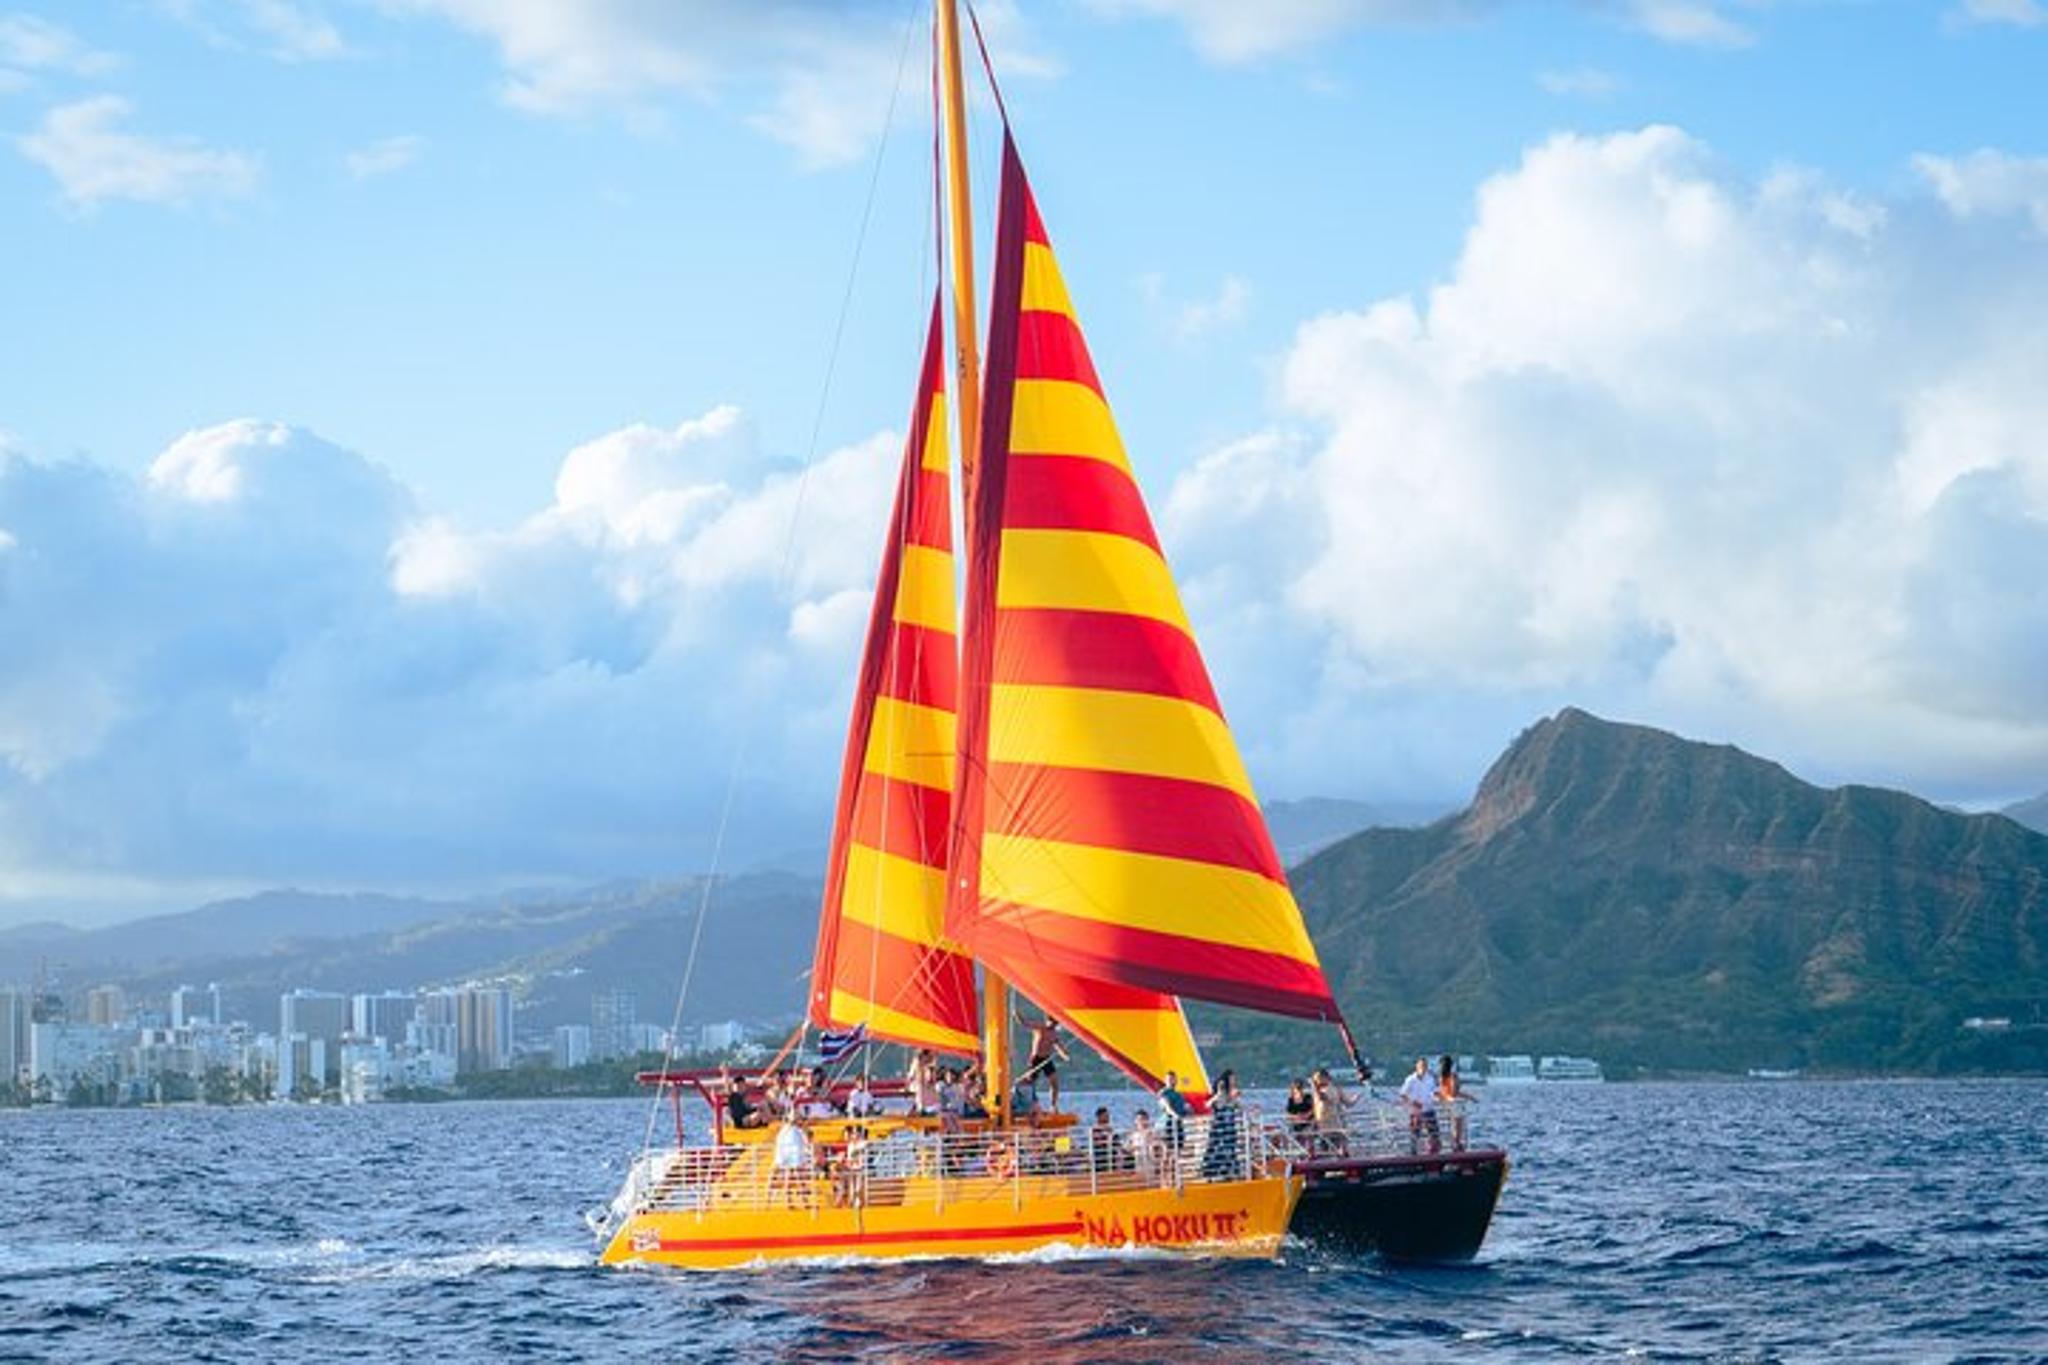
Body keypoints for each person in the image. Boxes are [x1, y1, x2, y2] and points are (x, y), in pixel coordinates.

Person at [1016, 1012, 1070, 1113]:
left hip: (1047, 1059)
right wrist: (1018, 1016)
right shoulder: (1040, 1028)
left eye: (1055, 1024)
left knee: (1055, 1083)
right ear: (1048, 1021)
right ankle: (1028, 1104)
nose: (1054, 1025)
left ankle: (1053, 1105)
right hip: (1036, 1059)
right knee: (1029, 1083)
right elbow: (1025, 1024)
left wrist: (1064, 1055)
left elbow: (1058, 1046)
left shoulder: (1054, 1033)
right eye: (1052, 1023)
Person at [1311, 1067, 1363, 1155]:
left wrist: (1356, 1098)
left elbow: (1347, 1102)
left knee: (1336, 1144)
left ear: (1325, 1077)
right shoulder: (1318, 1091)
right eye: (1315, 1079)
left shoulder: (1333, 1089)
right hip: (1321, 1124)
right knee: (1324, 1146)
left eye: (1318, 1078)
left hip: (1333, 1123)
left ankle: (1342, 1158)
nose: (1317, 1081)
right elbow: (1318, 1101)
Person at [1398, 1056, 1441, 1155]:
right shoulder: (1410, 1080)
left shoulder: (1430, 1078)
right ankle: (1413, 1153)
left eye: (1425, 1066)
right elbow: (1403, 1094)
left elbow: (1435, 1092)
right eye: (1422, 1066)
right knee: (1415, 1134)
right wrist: (1413, 1102)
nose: (1423, 1068)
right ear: (1417, 1066)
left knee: (1434, 1133)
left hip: (1429, 1109)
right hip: (1416, 1111)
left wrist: (1442, 1097)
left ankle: (1434, 1152)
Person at [769, 1114, 812, 1208]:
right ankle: (798, 1201)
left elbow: (805, 1143)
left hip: (791, 1156)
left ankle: (794, 1201)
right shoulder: (788, 1131)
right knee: (795, 1177)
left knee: (791, 1178)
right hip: (791, 1156)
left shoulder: (790, 1131)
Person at [1435, 1054, 1473, 1151]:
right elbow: (1454, 1092)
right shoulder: (1452, 1076)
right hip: (1453, 1102)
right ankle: (1457, 1143)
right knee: (1458, 1123)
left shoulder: (1440, 1076)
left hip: (1445, 1101)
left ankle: (1454, 1142)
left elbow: (1444, 1092)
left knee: (1453, 1123)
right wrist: (1469, 1096)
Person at [1157, 1070, 1191, 1167]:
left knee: (1177, 1153)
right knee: (1167, 1153)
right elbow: (1167, 1106)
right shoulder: (1164, 1093)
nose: (1171, 1081)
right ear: (1165, 1080)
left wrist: (1188, 1111)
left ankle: (1173, 1177)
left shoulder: (1179, 1095)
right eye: (1169, 1079)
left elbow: (1184, 1109)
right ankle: (1165, 1178)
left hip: (1178, 1125)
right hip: (1168, 1125)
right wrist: (1175, 1115)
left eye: (1173, 1079)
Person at [1126, 1111, 1162, 1183]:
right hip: (1138, 1159)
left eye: (1144, 1119)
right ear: (1135, 1121)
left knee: (1151, 1178)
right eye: (1139, 1120)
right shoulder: (1133, 1134)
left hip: (1149, 1159)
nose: (1141, 1122)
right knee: (1140, 1178)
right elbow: (1127, 1148)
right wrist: (1134, 1148)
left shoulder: (1152, 1132)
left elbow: (1158, 1144)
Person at [1088, 1105, 1119, 1177]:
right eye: (1106, 1115)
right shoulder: (1095, 1130)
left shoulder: (1109, 1129)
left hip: (1111, 1151)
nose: (1108, 1117)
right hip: (1101, 1155)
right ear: (1100, 1117)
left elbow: (1115, 1141)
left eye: (1108, 1115)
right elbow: (1097, 1142)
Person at [907, 1048, 940, 1116]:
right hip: (920, 1087)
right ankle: (920, 1110)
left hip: (927, 1089)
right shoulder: (917, 1062)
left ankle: (922, 1111)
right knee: (921, 1102)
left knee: (928, 1103)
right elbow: (911, 1076)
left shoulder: (930, 1064)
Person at [1284, 1078, 1315, 1144]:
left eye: (1301, 1087)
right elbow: (1288, 1114)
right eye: (1297, 1088)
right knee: (1291, 1132)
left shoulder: (1308, 1097)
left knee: (1307, 1133)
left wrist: (1306, 1115)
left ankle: (1308, 1149)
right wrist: (1296, 1117)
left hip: (1308, 1123)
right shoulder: (1291, 1100)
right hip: (1296, 1123)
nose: (1300, 1090)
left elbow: (1314, 1109)